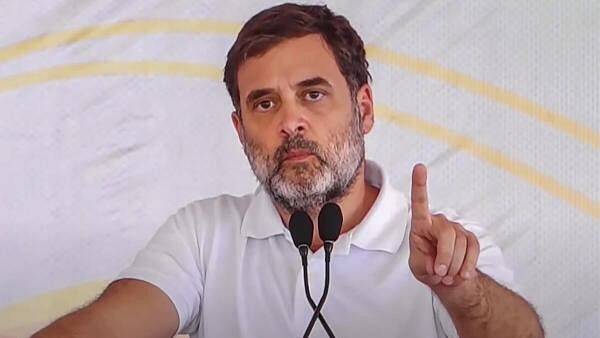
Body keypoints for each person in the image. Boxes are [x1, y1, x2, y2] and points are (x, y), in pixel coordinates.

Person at [32, 3, 544, 338]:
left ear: (364, 108)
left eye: (313, 94)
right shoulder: (202, 235)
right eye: (264, 104)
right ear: (240, 129)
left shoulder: (447, 248)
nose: (290, 122)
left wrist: (462, 292)